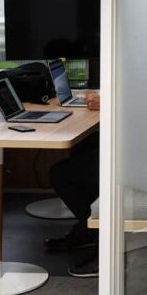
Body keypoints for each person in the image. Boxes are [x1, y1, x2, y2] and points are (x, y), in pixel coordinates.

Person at [44, 90, 101, 277]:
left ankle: (103, 239)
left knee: (62, 174)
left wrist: (111, 103)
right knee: (84, 145)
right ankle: (90, 228)